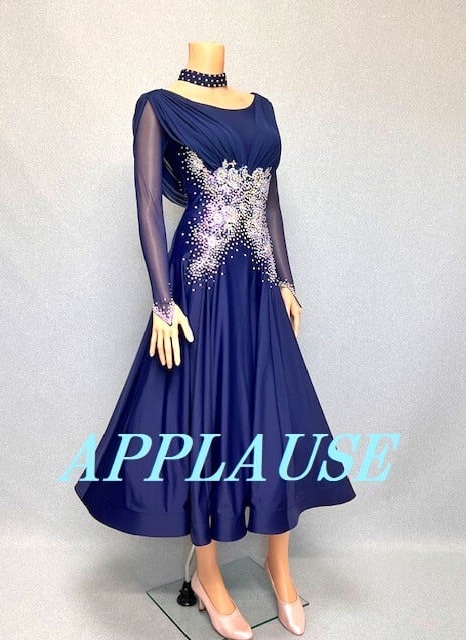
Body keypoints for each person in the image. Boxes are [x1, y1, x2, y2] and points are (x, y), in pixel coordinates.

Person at [74, 41, 356, 639]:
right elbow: (148, 204)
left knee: (274, 419)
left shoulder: (262, 108)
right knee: (203, 418)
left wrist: (286, 280)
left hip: (258, 286)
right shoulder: (159, 106)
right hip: (199, 283)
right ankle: (207, 573)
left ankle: (280, 564)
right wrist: (162, 301)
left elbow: (270, 201)